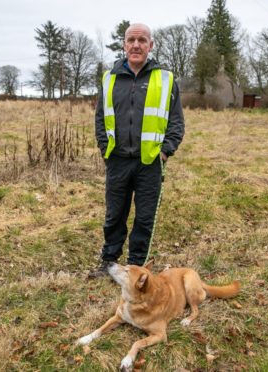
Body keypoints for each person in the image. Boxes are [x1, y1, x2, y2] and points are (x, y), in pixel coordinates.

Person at [89, 23, 185, 278]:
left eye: (142, 40)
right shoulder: (110, 79)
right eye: (131, 39)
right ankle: (109, 262)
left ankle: (135, 268)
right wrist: (104, 150)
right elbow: (100, 119)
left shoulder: (165, 79)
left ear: (150, 45)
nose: (136, 45)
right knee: (114, 216)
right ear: (124, 44)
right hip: (118, 161)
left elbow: (176, 122)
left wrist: (165, 152)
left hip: (150, 162)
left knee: (144, 219)